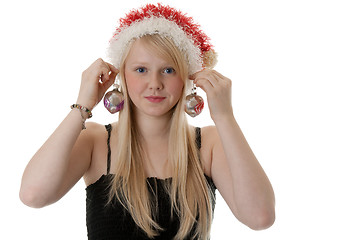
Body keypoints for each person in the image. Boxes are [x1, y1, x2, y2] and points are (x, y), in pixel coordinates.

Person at [19, 3, 275, 240]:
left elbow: (260, 217)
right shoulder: (96, 141)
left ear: (188, 78)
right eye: (141, 70)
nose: (155, 83)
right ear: (122, 76)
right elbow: (33, 195)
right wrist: (82, 106)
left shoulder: (208, 144)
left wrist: (224, 117)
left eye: (168, 70)